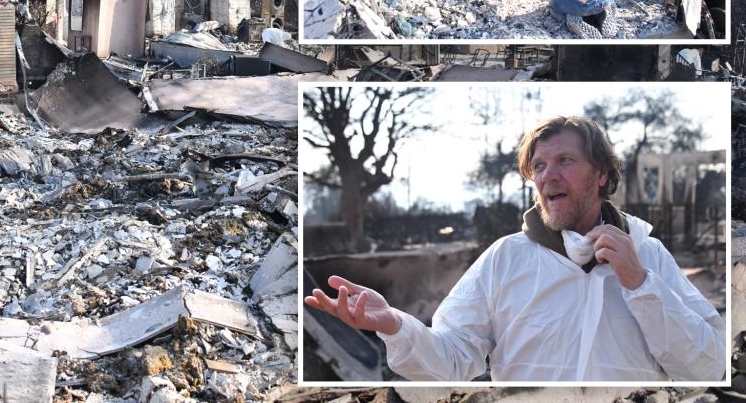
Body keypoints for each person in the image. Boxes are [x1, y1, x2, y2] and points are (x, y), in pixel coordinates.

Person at [305, 116, 725, 382]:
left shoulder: (648, 255)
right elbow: (450, 363)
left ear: (600, 174)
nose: (547, 176)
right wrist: (397, 326)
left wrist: (640, 286)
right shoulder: (505, 259)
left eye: (564, 161)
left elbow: (706, 368)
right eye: (539, 167)